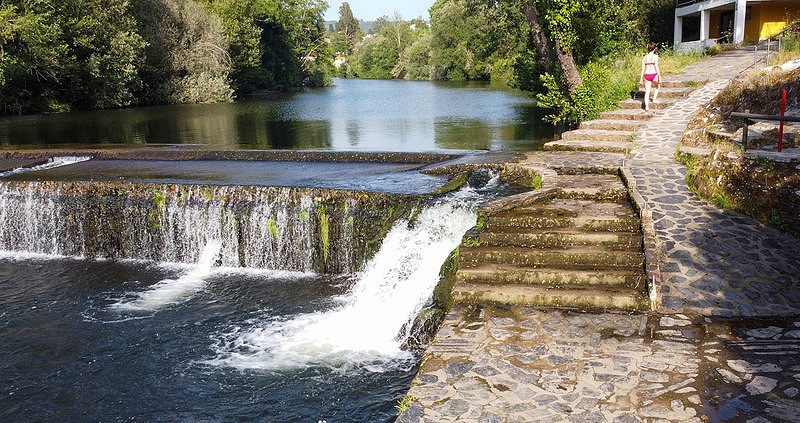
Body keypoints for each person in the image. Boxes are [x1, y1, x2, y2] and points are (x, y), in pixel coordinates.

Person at [639, 43, 661, 111]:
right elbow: (656, 67)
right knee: (657, 86)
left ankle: (646, 107)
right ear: (654, 49)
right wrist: (659, 76)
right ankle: (654, 100)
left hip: (646, 75)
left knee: (647, 91)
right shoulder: (655, 56)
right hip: (653, 74)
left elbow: (643, 69)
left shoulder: (644, 57)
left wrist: (641, 78)